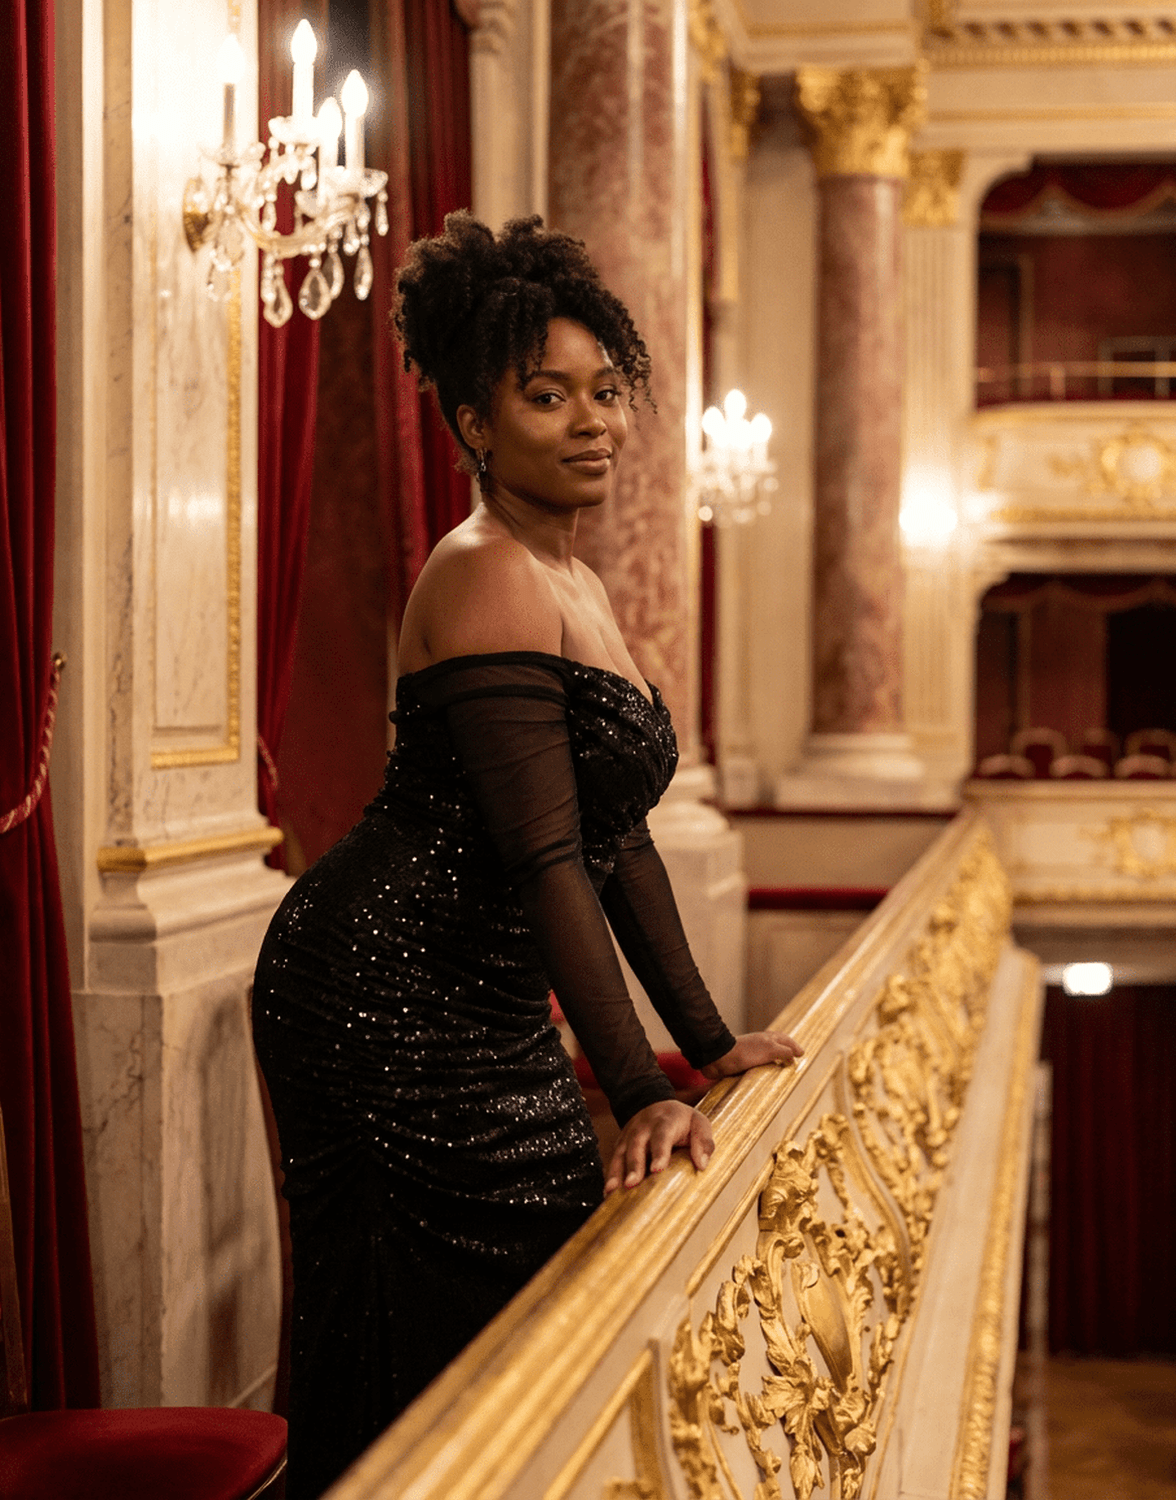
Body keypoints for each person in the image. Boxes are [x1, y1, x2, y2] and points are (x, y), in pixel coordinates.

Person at [252, 211, 801, 1499]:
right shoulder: (488, 572)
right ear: (474, 427)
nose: (593, 420)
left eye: (607, 390)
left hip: (478, 990)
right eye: (547, 396)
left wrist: (708, 1046)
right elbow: (551, 854)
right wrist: (637, 1086)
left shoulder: (578, 581)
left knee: (533, 1291)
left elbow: (620, 842)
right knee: (435, 1325)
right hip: (384, 992)